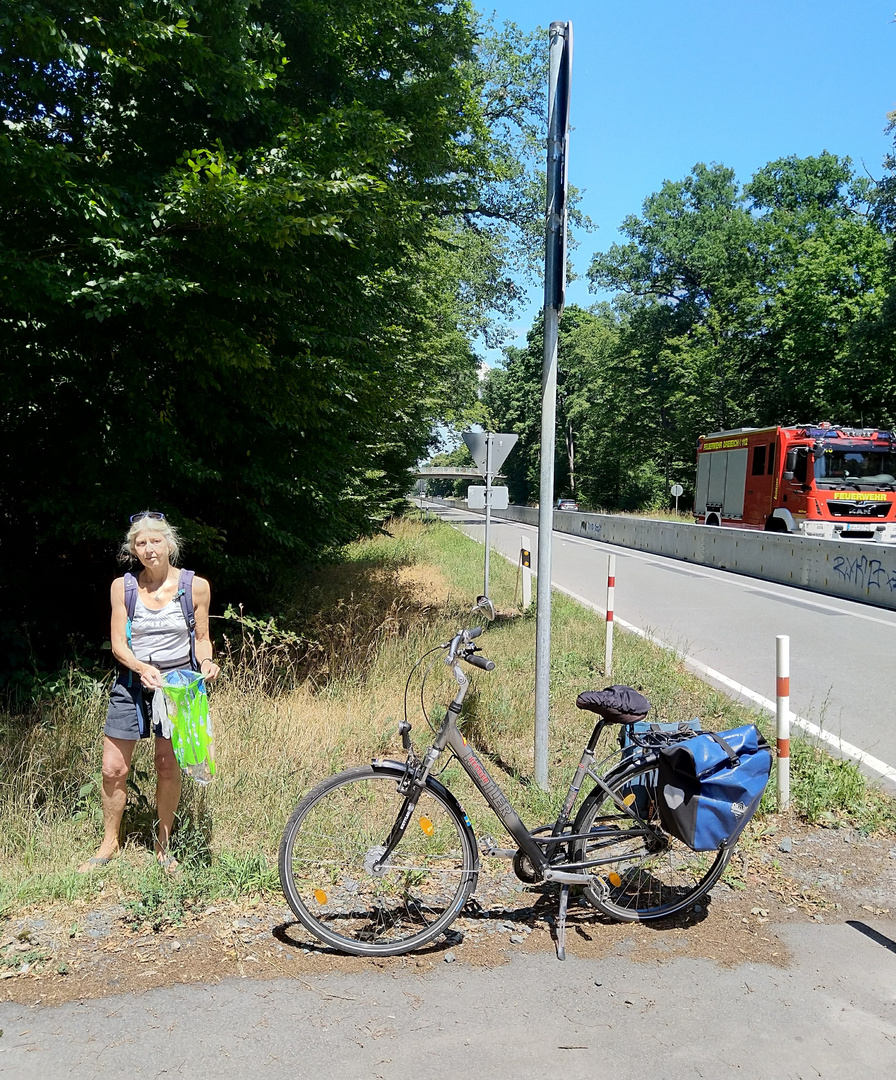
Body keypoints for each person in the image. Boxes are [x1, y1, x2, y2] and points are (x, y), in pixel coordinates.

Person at [78, 512, 220, 873]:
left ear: (169, 544)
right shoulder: (122, 588)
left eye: (155, 541)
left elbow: (202, 640)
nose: (148, 548)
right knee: (113, 767)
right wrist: (142, 668)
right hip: (132, 683)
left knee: (166, 766)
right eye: (140, 543)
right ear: (133, 550)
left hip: (178, 688)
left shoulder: (195, 587)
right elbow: (118, 645)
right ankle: (110, 842)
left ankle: (163, 844)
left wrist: (206, 664)